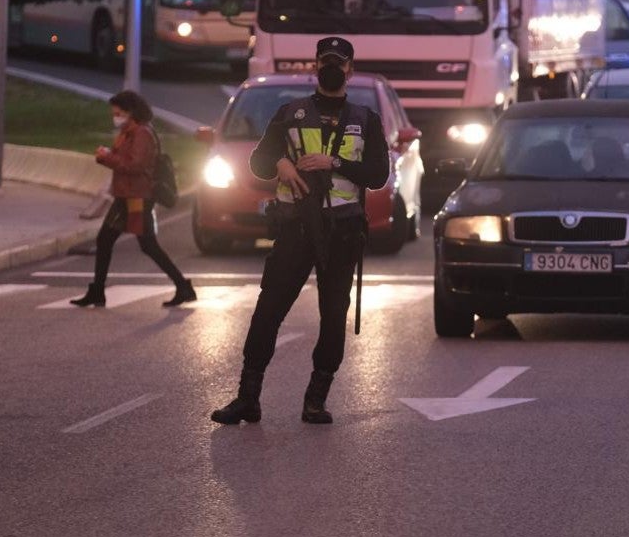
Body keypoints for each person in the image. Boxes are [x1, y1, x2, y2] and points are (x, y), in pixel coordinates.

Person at [211, 36, 389, 426]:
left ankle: (315, 400)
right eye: (325, 61)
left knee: (332, 317)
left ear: (350, 70)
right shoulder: (290, 114)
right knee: (268, 311)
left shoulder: (365, 120)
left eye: (339, 63)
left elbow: (378, 175)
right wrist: (281, 165)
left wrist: (334, 161)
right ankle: (247, 398)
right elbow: (258, 161)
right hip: (295, 229)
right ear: (314, 67)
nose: (332, 68)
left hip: (341, 233)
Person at [70, 90, 195, 309]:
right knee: (114, 241)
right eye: (114, 113)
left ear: (131, 112)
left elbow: (135, 165)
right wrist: (110, 155)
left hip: (136, 197)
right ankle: (98, 291)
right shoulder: (130, 132)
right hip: (126, 196)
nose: (115, 117)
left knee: (142, 244)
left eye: (119, 113)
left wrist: (107, 157)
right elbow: (127, 159)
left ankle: (183, 286)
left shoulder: (142, 134)